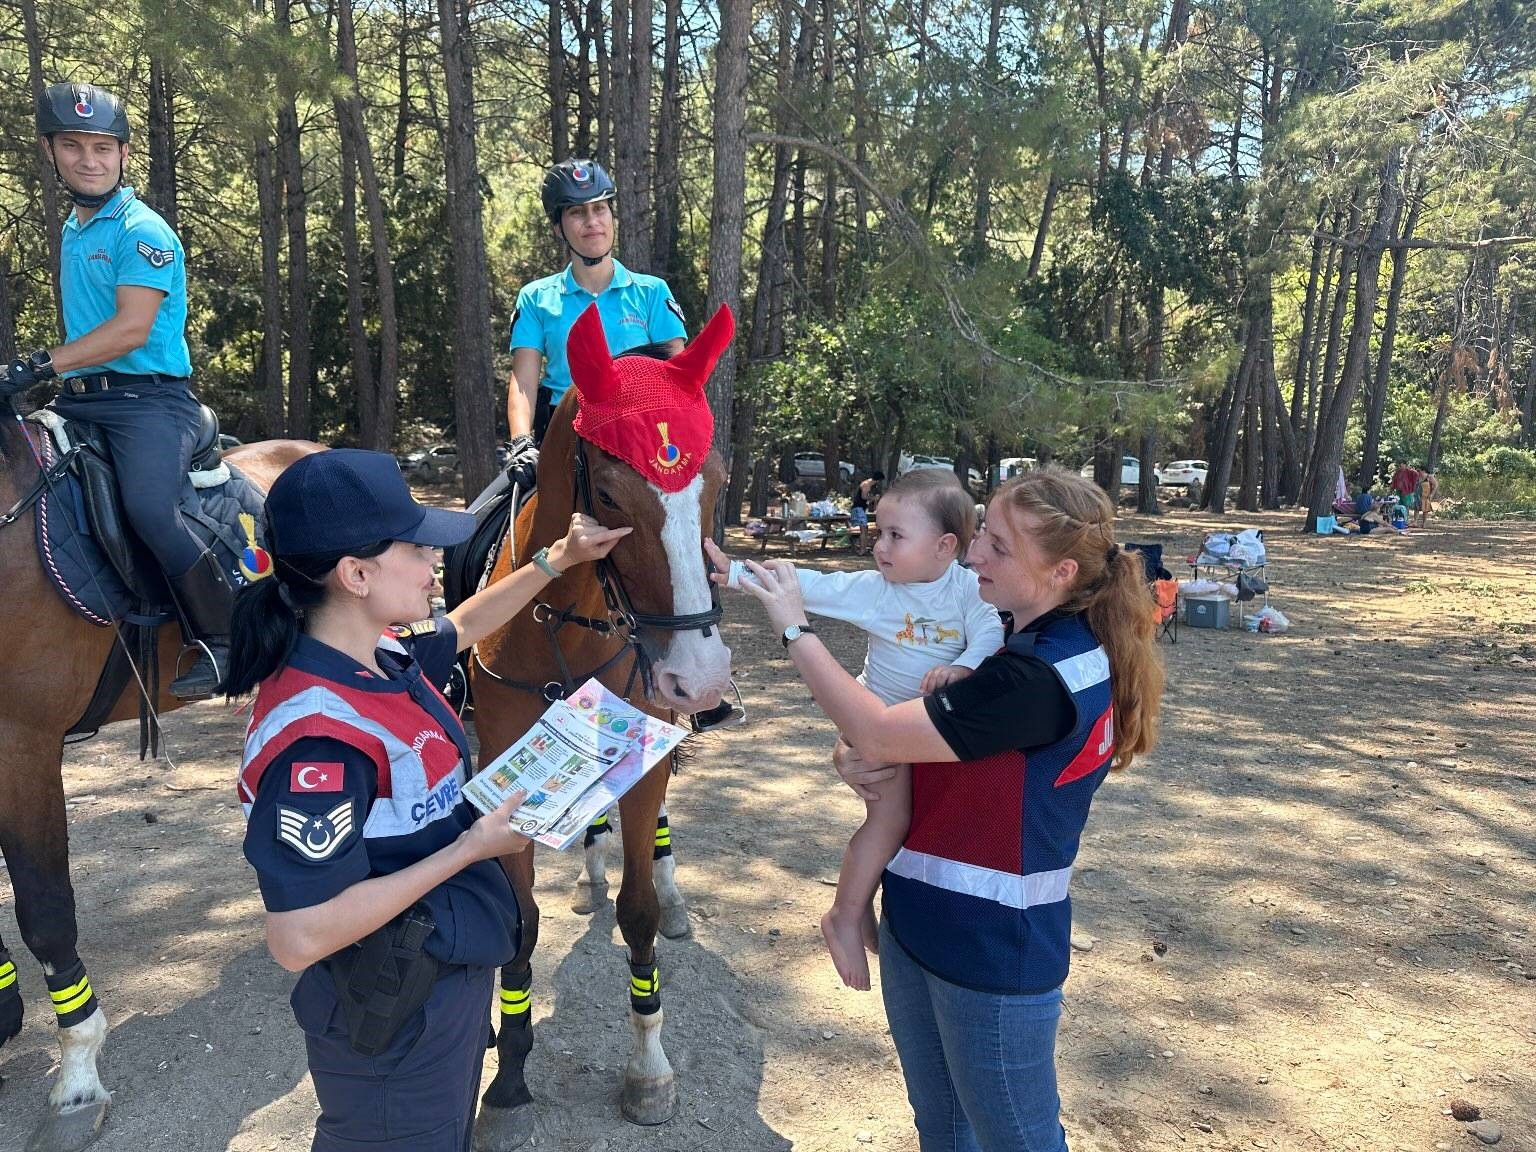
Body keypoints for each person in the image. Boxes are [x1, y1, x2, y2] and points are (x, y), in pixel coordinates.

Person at [718, 466, 1164, 1152]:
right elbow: (930, 758)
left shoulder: (1032, 679)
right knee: (947, 1131)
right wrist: (864, 763)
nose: (976, 552)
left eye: (999, 546)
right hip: (926, 923)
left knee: (1017, 1140)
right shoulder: (1027, 645)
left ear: (1059, 571)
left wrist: (794, 632)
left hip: (988, 953)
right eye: (983, 530)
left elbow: (879, 731)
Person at [225, 449, 628, 1150]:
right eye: (416, 549)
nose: (433, 564)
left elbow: (464, 625)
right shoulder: (318, 740)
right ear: (355, 575)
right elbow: (299, 936)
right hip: (393, 1006)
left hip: (439, 979)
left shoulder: (379, 651)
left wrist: (556, 560)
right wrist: (471, 849)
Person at [708, 469, 1003, 990]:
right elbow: (808, 586)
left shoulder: (968, 591)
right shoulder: (876, 590)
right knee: (889, 821)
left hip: (924, 731)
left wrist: (968, 666)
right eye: (879, 532)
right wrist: (734, 573)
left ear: (945, 546)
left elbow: (990, 631)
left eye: (895, 536)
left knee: (908, 824)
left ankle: (861, 905)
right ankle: (843, 915)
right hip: (880, 723)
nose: (879, 546)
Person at [4, 82, 228, 696]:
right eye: (72, 145)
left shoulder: (142, 230)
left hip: (149, 403)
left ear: (124, 154)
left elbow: (132, 328)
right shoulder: (75, 230)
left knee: (149, 507)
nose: (88, 159)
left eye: (102, 146)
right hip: (83, 400)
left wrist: (39, 364)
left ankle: (226, 635)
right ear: (51, 152)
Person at [503, 159, 687, 476]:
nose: (592, 221)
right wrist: (521, 441)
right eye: (577, 212)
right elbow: (524, 381)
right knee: (497, 514)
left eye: (600, 209)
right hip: (563, 440)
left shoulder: (652, 292)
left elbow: (678, 377)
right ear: (558, 227)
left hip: (640, 439)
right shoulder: (535, 298)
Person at [851, 470, 884, 554]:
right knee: (863, 529)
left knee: (865, 529)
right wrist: (873, 498)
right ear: (877, 480)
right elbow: (864, 496)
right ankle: (862, 550)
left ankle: (864, 548)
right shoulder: (866, 484)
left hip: (861, 508)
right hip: (858, 508)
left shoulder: (869, 485)